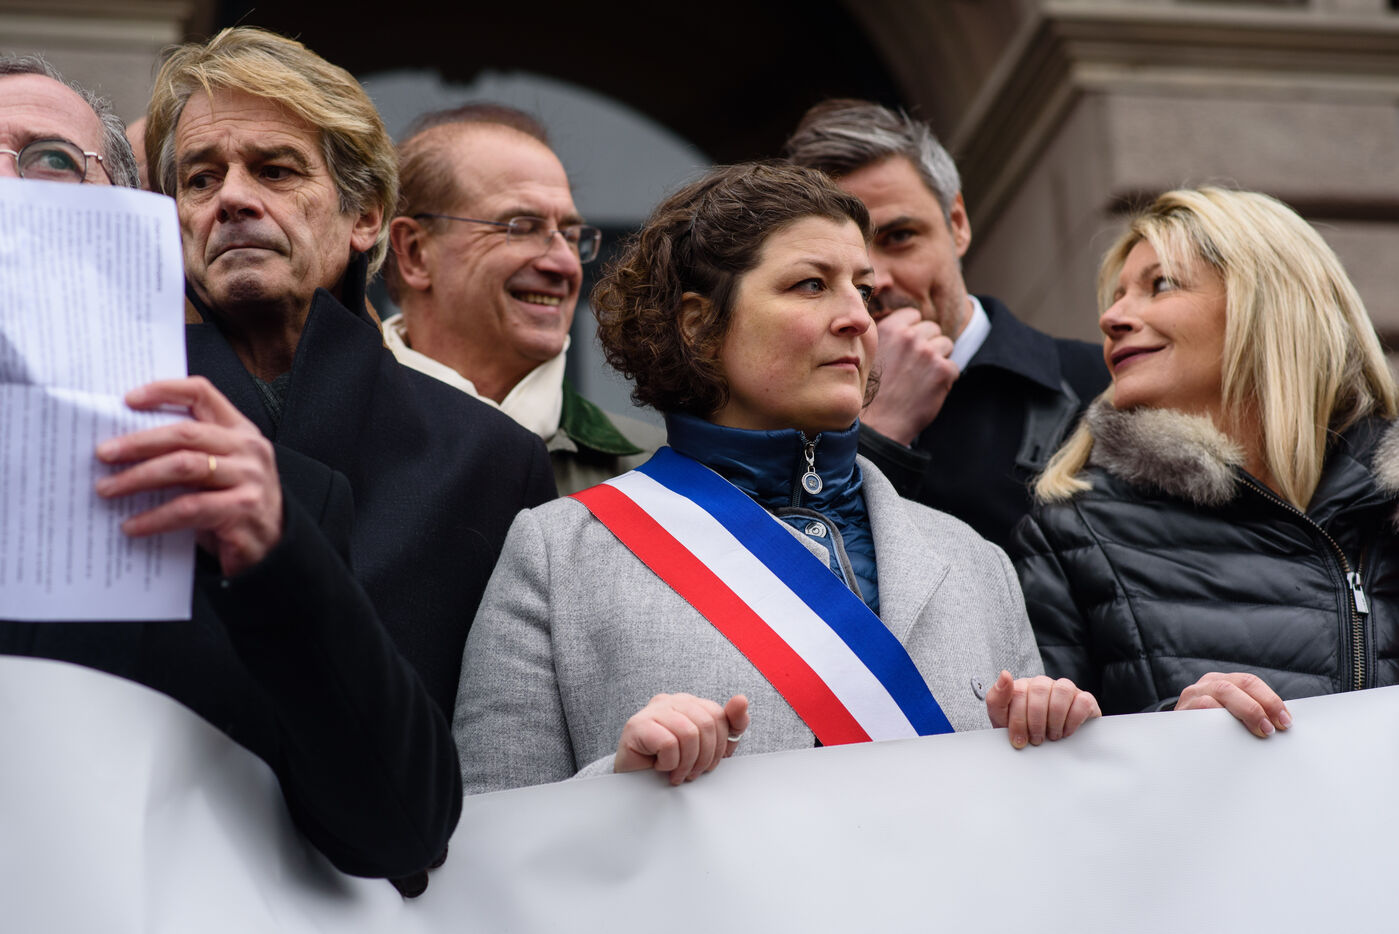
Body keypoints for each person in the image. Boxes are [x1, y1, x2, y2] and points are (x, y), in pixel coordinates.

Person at [454, 163, 1099, 793]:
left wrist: (1052, 749)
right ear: (698, 325)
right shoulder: (556, 554)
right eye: (811, 285)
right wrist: (623, 785)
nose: (859, 318)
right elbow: (496, 826)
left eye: (862, 290)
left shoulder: (976, 561)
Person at [0, 55, 459, 887]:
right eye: (203, 178)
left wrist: (278, 556)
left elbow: (399, 832)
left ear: (128, 219)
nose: (4, 185)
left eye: (49, 160)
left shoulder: (254, 491)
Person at [142, 28, 557, 716]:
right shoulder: (114, 423)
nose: (231, 198)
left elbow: (506, 740)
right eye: (200, 179)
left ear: (364, 216)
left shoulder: (490, 460)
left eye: (275, 171)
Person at [1013, 187, 1399, 736]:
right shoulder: (1071, 535)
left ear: (1267, 304)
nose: (1112, 318)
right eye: (1116, 297)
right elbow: (1043, 768)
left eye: (1160, 285)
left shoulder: (1388, 515)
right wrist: (1177, 735)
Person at [784, 99, 1109, 551]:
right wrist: (875, 435)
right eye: (836, 258)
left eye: (900, 237)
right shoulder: (776, 421)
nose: (875, 279)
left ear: (957, 224)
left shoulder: (1102, 387)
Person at [384, 103, 663, 495]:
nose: (565, 264)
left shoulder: (653, 474)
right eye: (522, 227)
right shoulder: (322, 445)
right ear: (415, 253)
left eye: (570, 234)